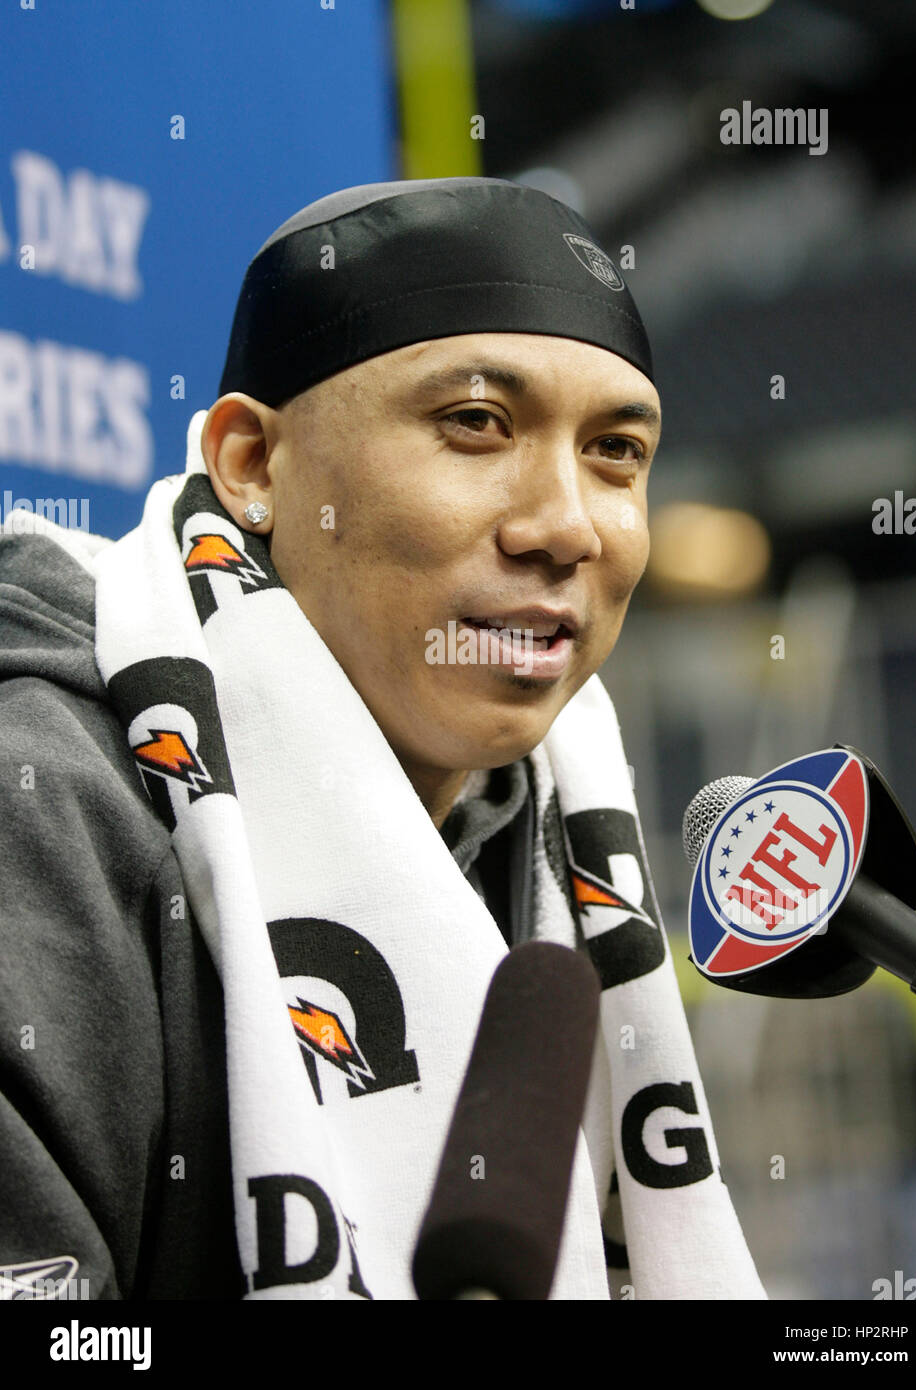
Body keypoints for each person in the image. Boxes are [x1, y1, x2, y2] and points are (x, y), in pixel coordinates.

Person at [0, 177, 765, 1300]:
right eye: (474, 424)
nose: (562, 524)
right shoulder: (47, 799)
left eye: (615, 451)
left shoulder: (545, 814)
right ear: (255, 466)